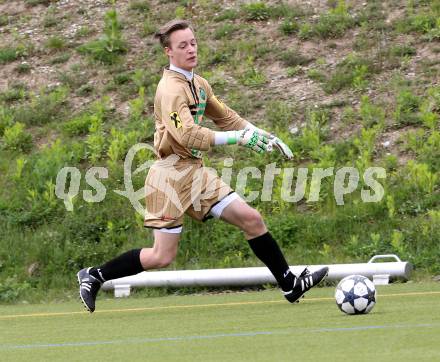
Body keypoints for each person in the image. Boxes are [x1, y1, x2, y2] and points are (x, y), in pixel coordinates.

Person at [77, 19, 328, 313]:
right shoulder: (170, 89)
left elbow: (227, 117)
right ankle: (94, 276)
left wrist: (262, 135)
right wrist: (238, 139)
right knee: (161, 256)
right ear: (168, 52)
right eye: (182, 45)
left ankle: (290, 284)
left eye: (193, 42)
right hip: (169, 176)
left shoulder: (198, 83)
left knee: (252, 220)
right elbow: (187, 134)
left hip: (194, 172)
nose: (191, 49)